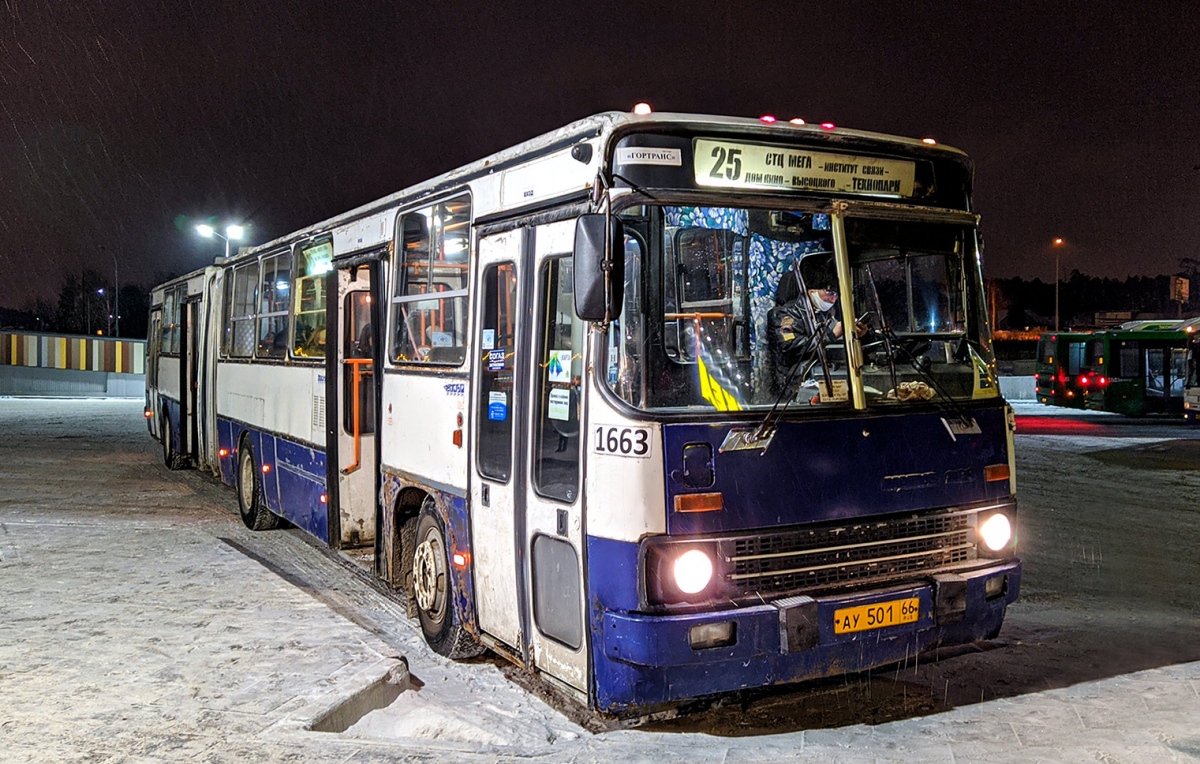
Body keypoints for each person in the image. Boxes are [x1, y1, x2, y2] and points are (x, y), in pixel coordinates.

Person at [767, 255, 863, 394]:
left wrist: (862, 335)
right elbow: (790, 348)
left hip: (831, 375)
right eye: (829, 293)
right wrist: (831, 335)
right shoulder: (784, 315)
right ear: (811, 290)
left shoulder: (832, 313)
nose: (833, 299)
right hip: (797, 383)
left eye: (837, 294)